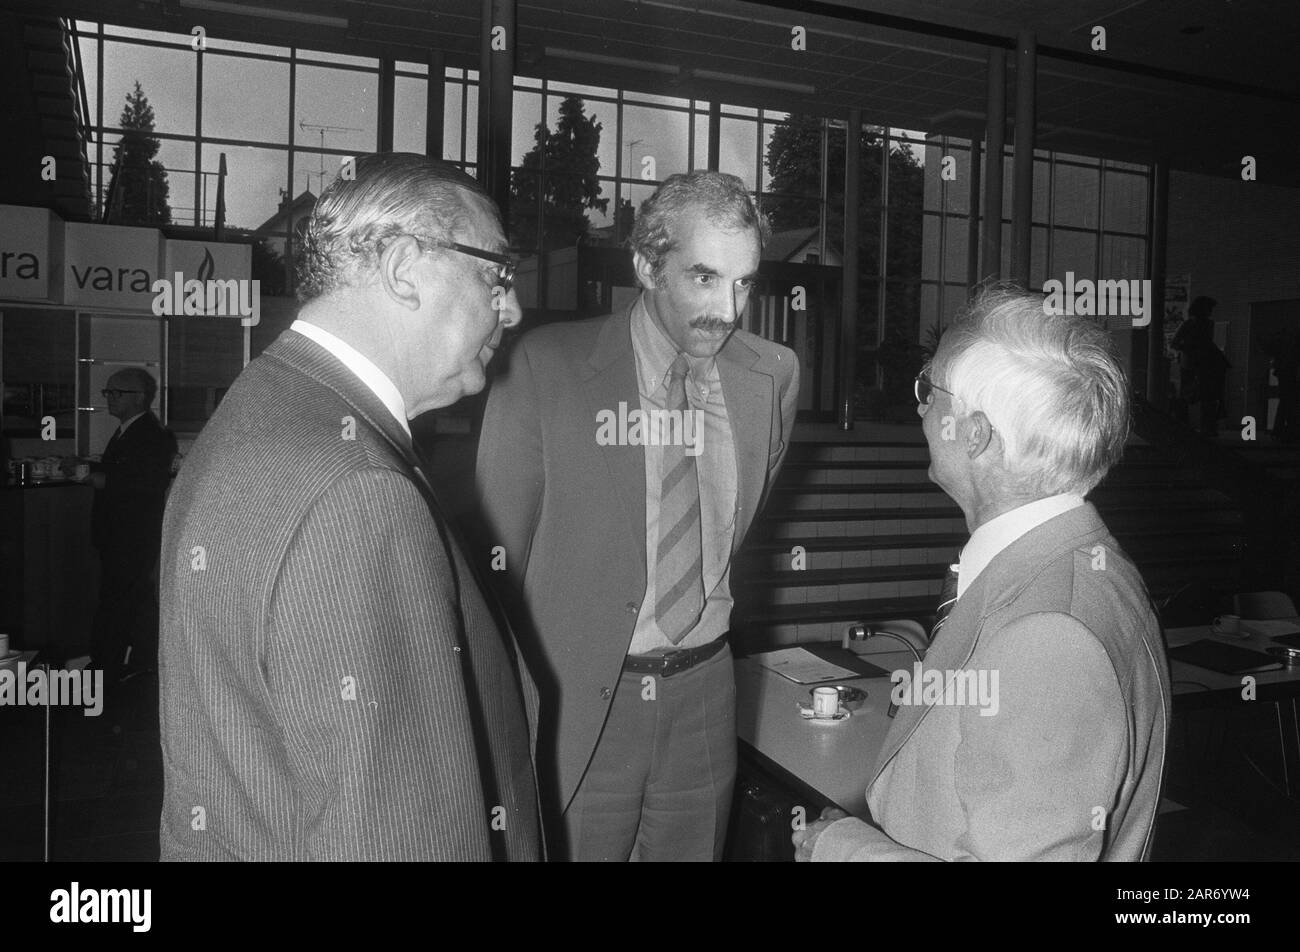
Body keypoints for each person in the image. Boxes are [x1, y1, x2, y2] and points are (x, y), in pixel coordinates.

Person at [157, 153, 541, 861]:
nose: (511, 309)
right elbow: (399, 837)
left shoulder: (263, 408)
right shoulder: (358, 489)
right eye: (496, 274)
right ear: (403, 268)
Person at [477, 170, 799, 861]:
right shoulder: (544, 368)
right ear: (647, 265)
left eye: (745, 282)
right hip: (586, 698)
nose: (728, 309)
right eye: (706, 278)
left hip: (708, 694)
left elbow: (737, 522)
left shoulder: (771, 375)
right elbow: (496, 568)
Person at [794, 288, 1170, 862]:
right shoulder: (1082, 565)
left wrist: (842, 848)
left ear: (975, 435)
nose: (920, 408)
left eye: (930, 391)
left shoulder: (1049, 637)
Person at [89, 367, 176, 683]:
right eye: (108, 392)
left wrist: (104, 480)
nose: (109, 398)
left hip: (132, 535)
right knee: (132, 600)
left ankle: (105, 669)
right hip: (120, 535)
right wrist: (91, 468)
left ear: (139, 397)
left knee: (118, 601)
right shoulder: (128, 430)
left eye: (117, 393)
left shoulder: (153, 434)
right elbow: (127, 470)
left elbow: (148, 483)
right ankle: (142, 664)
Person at [1171, 295, 1230, 437]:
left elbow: (1177, 343)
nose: (1210, 311)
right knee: (1197, 396)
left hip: (1199, 364)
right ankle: (1202, 427)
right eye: (1209, 309)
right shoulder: (1196, 324)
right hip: (1196, 364)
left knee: (1202, 396)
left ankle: (1196, 427)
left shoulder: (1203, 324)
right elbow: (1176, 343)